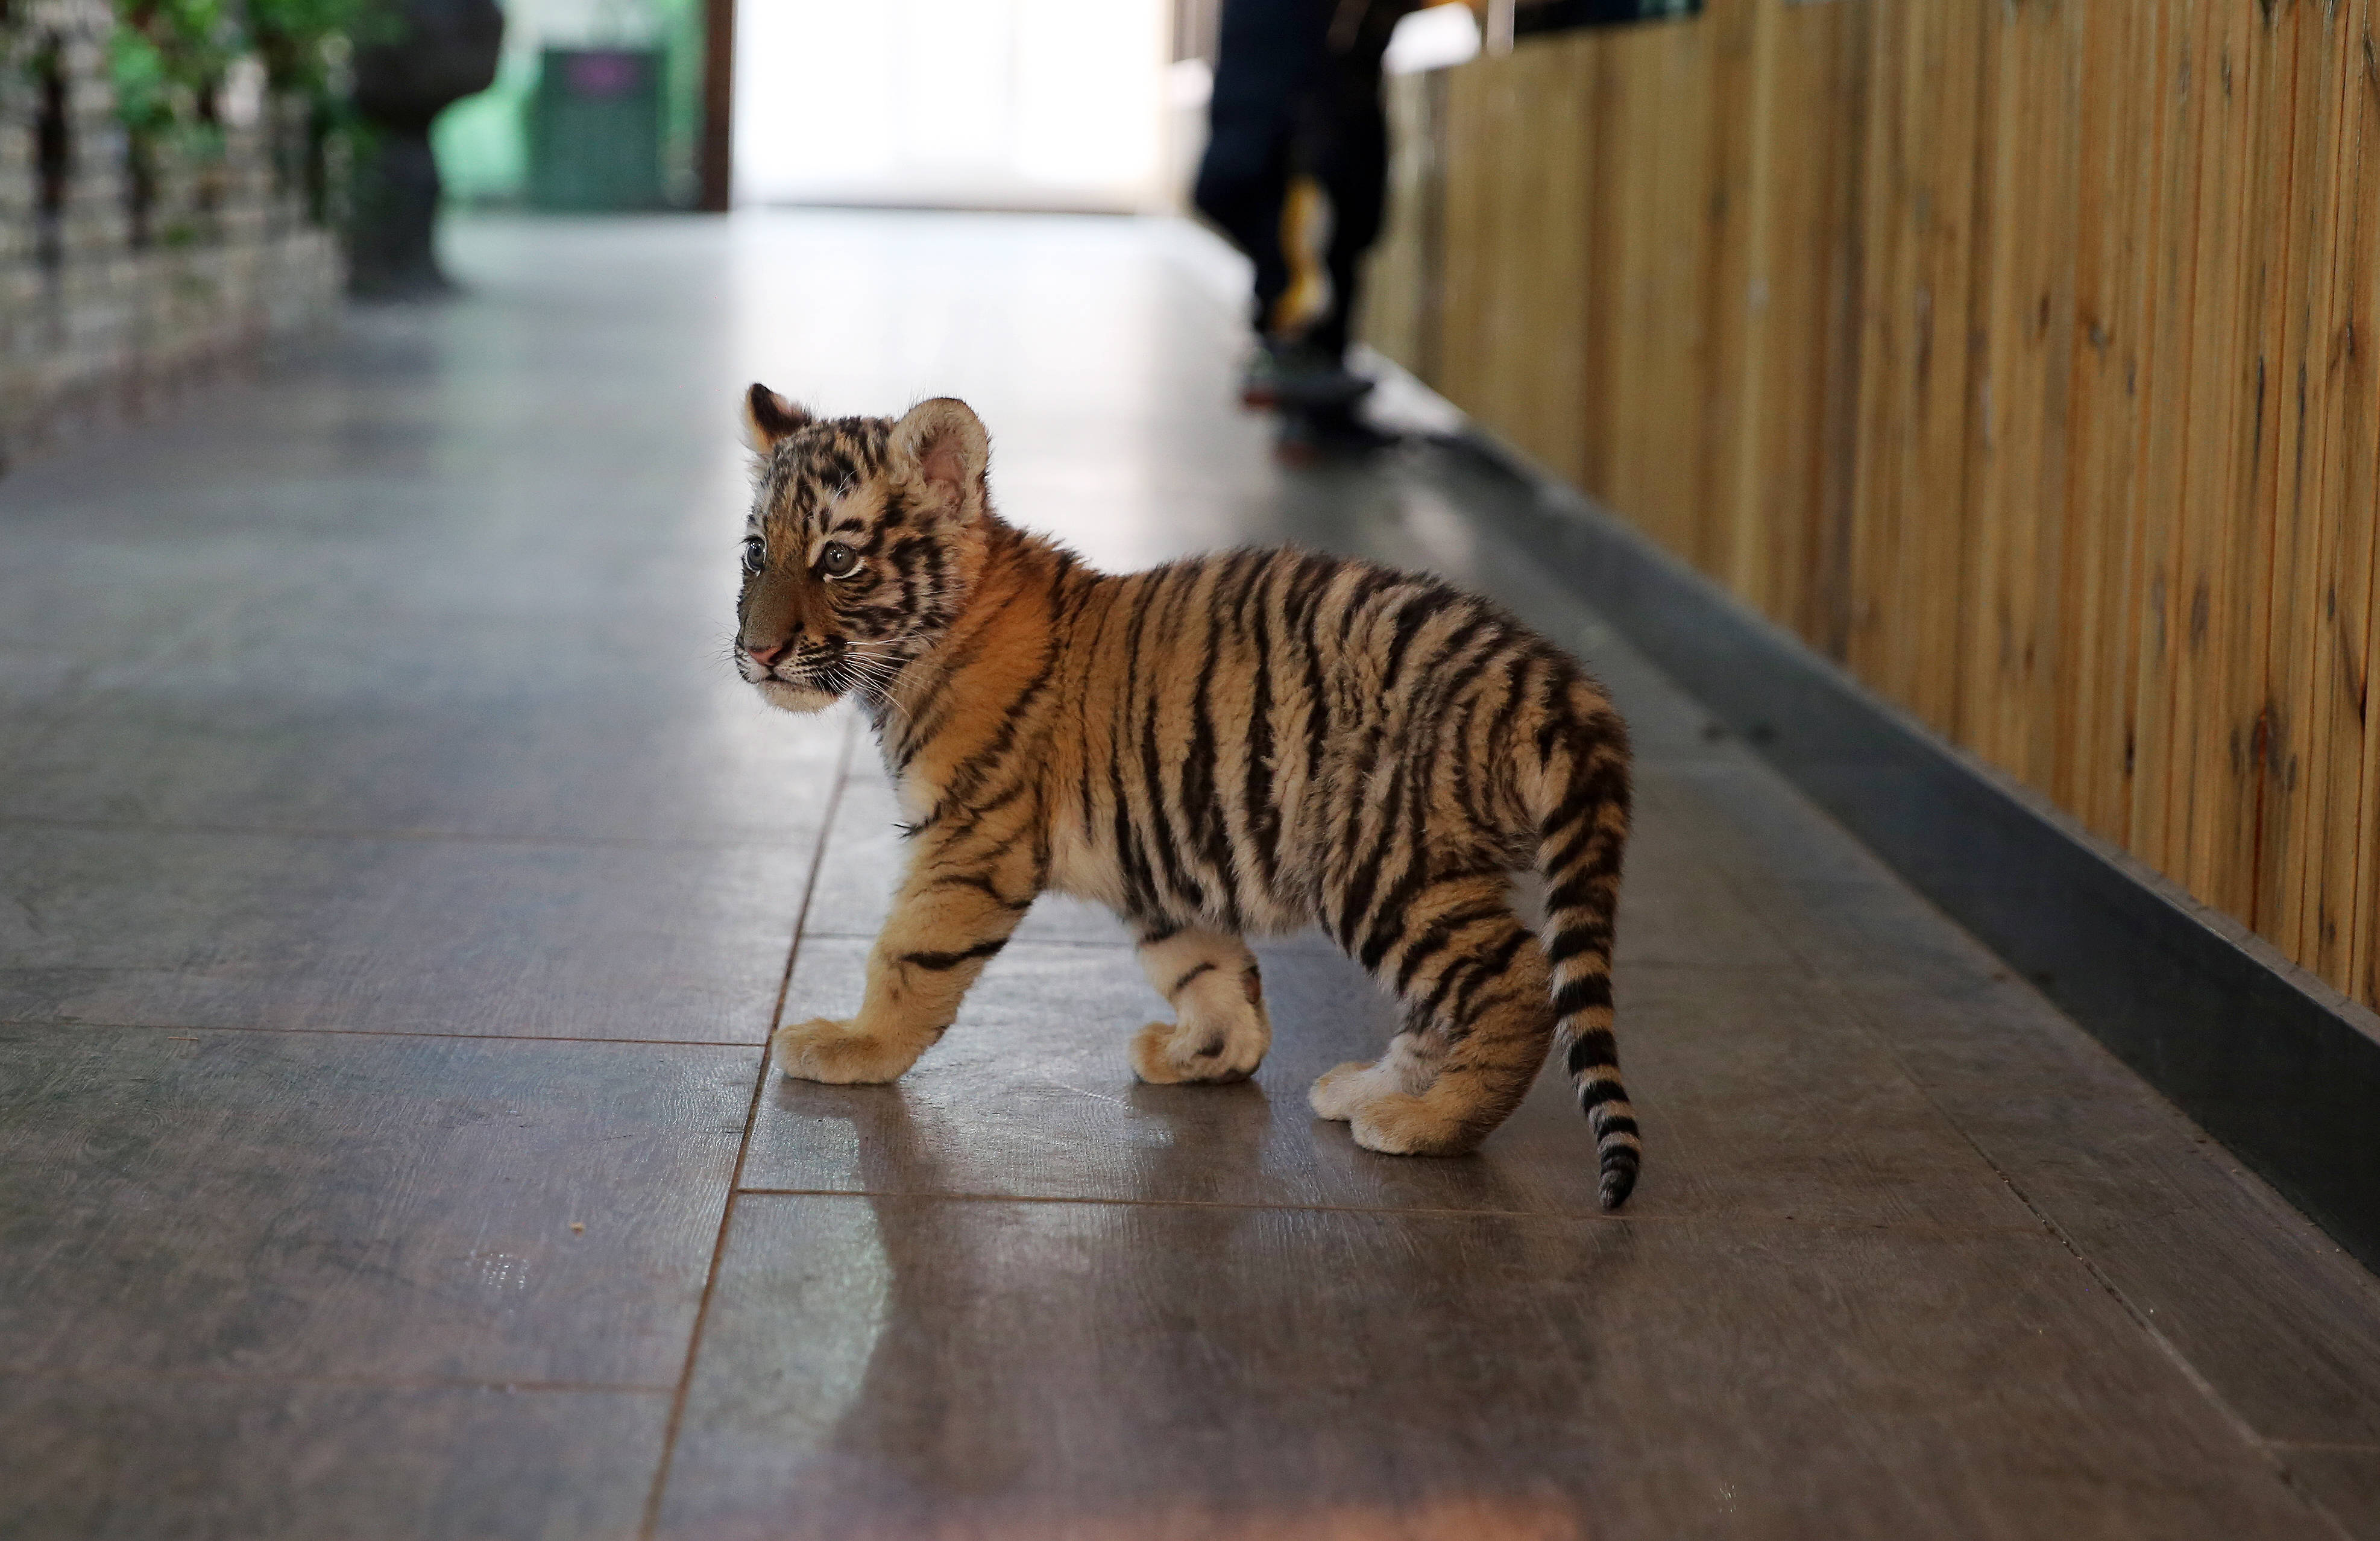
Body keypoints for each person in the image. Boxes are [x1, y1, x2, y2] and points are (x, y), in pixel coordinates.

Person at [1193, 0, 1416, 452]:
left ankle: (1305, 406)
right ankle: (1295, 367)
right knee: (1317, 238)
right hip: (1304, 113)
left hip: (1260, 119)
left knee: (1302, 238)